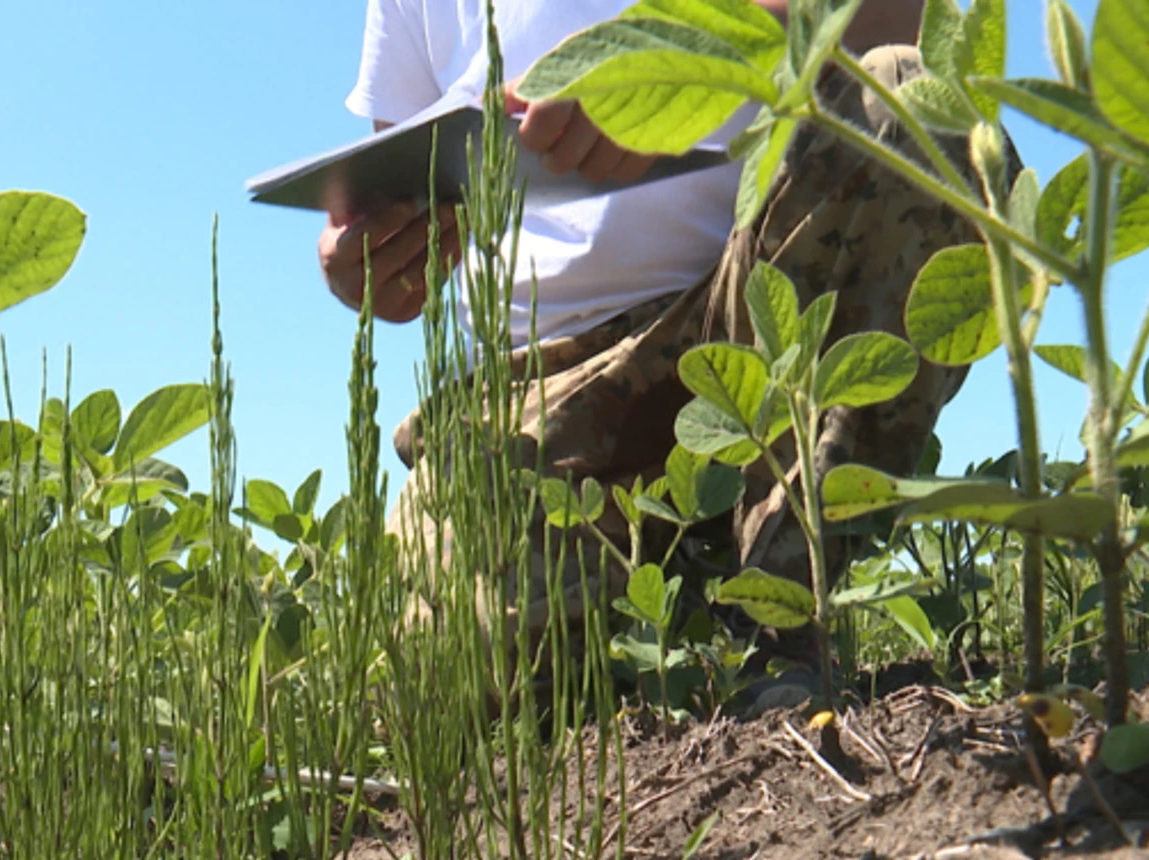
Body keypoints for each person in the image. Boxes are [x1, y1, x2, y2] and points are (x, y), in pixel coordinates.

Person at [321, 0, 991, 712]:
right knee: (442, 697)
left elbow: (908, 31)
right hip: (531, 404)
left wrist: (679, 67)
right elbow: (400, 175)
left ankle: (778, 615)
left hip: (751, 329)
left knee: (912, 104)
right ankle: (682, 583)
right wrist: (369, 259)